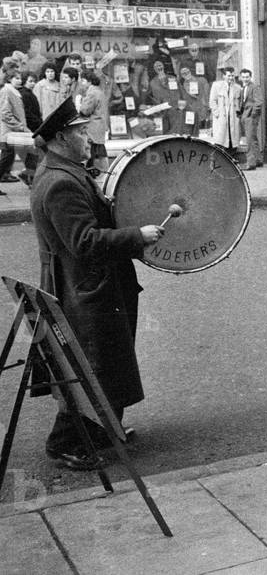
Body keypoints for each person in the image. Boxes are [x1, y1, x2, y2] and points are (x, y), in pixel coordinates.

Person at [30, 96, 164, 470]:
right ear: (59, 137)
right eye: (80, 132)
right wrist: (137, 235)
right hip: (85, 287)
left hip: (90, 283)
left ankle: (101, 428)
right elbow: (84, 242)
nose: (89, 138)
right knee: (91, 363)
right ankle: (64, 442)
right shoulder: (60, 183)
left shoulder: (65, 171)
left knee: (107, 361)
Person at [77, 70, 110, 174]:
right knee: (99, 153)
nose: (81, 83)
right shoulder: (99, 91)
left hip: (91, 128)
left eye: (83, 81)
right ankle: (102, 173)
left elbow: (85, 111)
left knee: (90, 154)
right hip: (99, 128)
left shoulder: (92, 93)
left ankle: (96, 174)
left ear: (89, 81)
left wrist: (79, 103)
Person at [0, 67, 27, 185]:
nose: (19, 81)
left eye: (20, 79)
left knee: (8, 157)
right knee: (6, 157)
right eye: (16, 78)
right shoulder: (7, 91)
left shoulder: (13, 91)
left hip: (11, 131)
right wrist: (19, 126)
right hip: (7, 131)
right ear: (10, 79)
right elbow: (5, 113)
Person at [210, 66, 242, 158]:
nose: (231, 78)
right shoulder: (216, 86)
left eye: (232, 76)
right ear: (224, 76)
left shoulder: (237, 88)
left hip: (232, 117)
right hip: (221, 117)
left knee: (232, 139)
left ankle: (231, 160)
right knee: (220, 139)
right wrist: (217, 113)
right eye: (229, 76)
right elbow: (212, 101)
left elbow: (240, 102)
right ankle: (220, 161)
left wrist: (238, 114)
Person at [146, 60, 182, 135]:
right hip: (162, 111)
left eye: (160, 65)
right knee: (165, 134)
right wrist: (156, 105)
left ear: (163, 66)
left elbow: (180, 92)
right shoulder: (152, 82)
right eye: (156, 66)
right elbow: (149, 96)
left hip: (174, 109)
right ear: (154, 69)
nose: (159, 67)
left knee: (176, 132)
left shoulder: (172, 78)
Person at [18, 72, 42, 187]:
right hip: (31, 127)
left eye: (34, 81)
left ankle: (28, 176)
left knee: (33, 154)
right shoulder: (25, 94)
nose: (33, 84)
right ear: (25, 81)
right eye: (30, 81)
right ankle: (30, 177)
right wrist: (39, 123)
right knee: (33, 154)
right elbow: (28, 113)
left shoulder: (27, 93)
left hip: (32, 126)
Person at [237, 68, 264, 170]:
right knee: (253, 138)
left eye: (247, 77)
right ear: (240, 77)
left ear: (250, 77)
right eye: (243, 77)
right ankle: (258, 160)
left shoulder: (255, 87)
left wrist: (252, 115)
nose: (245, 79)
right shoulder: (243, 87)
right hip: (245, 116)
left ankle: (251, 163)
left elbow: (259, 102)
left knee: (249, 140)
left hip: (250, 117)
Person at [176, 66, 209, 137]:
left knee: (204, 133)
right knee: (192, 134)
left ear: (190, 71)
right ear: (182, 76)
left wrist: (206, 107)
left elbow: (207, 96)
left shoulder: (202, 80)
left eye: (187, 72)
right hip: (190, 113)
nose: (186, 74)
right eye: (183, 73)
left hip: (202, 111)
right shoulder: (182, 85)